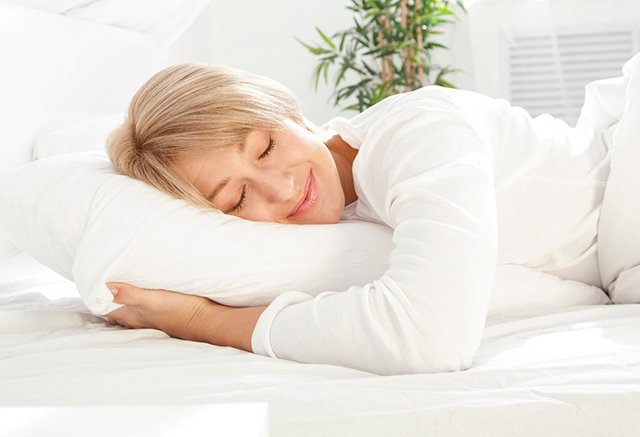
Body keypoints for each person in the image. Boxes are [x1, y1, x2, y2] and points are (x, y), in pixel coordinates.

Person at [103, 61, 626, 375]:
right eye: (237, 200)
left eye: (265, 148)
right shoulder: (329, 232)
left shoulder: (419, 134)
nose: (282, 188)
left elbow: (426, 339)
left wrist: (202, 321)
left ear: (288, 112)